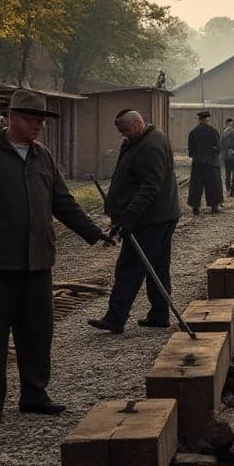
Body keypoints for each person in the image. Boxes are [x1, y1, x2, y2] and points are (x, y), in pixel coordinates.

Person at [0, 90, 110, 420]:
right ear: (12, 118)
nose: (39, 125)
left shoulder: (42, 156)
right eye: (33, 119)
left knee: (37, 332)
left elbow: (63, 202)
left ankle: (35, 395)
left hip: (38, 260)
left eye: (42, 120)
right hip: (0, 263)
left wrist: (93, 232)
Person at [89, 110, 181, 334]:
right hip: (159, 216)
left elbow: (151, 186)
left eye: (126, 130)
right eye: (121, 132)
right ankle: (159, 315)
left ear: (138, 123)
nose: (124, 135)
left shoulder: (150, 145)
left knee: (129, 266)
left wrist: (129, 216)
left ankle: (115, 317)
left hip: (151, 219)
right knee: (157, 266)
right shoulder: (139, 140)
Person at [187, 111, 223, 215]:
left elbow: (191, 151)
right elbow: (218, 149)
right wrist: (213, 155)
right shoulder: (213, 131)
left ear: (199, 119)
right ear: (208, 119)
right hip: (211, 163)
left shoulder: (193, 132)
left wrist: (197, 156)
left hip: (198, 163)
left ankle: (195, 207)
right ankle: (214, 206)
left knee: (196, 186)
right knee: (213, 185)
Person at [220, 118, 234, 197]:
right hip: (233, 156)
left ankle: (228, 189)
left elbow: (221, 144)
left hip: (226, 156)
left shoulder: (223, 132)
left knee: (227, 173)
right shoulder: (233, 132)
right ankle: (232, 190)